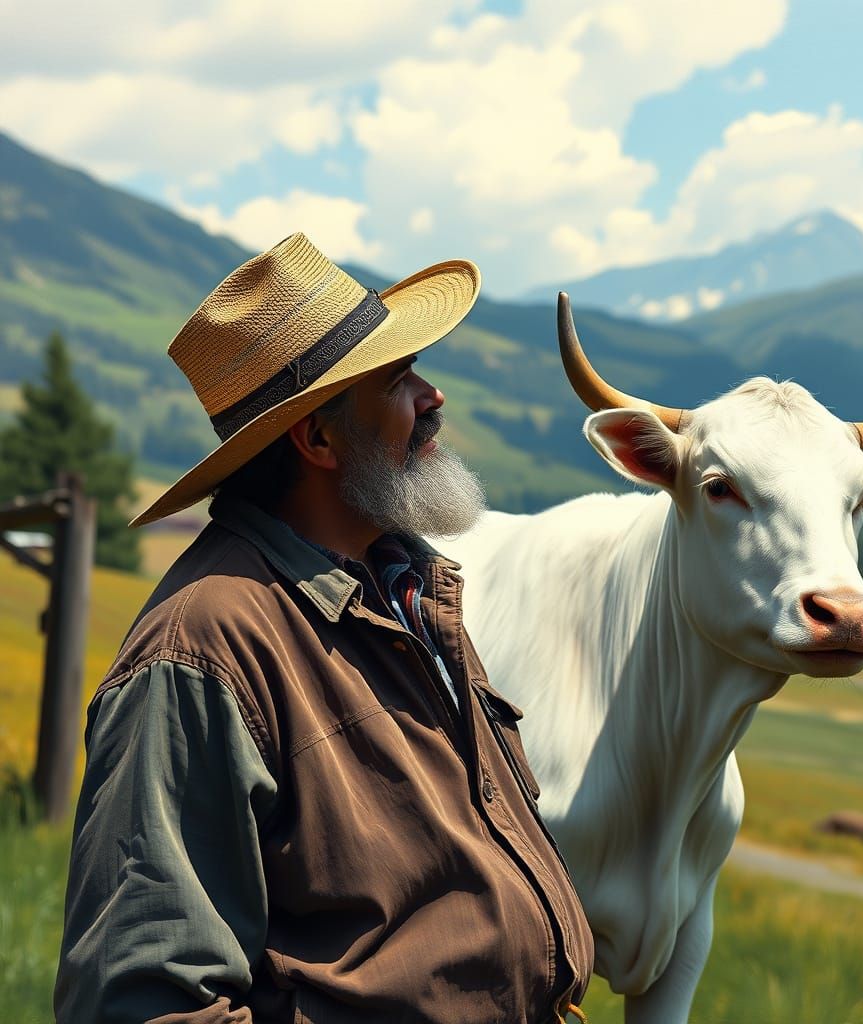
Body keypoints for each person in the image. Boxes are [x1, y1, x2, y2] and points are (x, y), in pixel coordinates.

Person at [54, 233, 594, 1023]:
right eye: (399, 379)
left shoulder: (404, 587)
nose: (432, 397)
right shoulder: (201, 650)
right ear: (317, 439)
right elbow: (144, 1001)